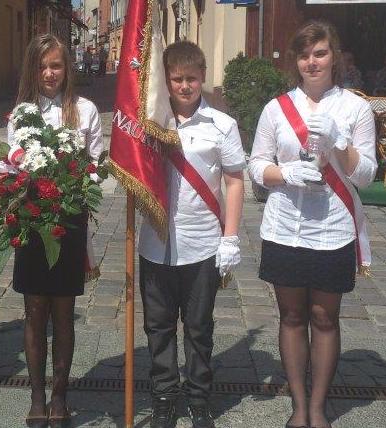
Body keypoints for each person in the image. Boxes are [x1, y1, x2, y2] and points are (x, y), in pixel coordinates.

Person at [249, 21, 377, 428]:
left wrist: (341, 142)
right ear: (297, 61)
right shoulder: (277, 108)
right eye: (304, 55)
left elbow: (367, 176)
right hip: (285, 225)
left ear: (333, 56)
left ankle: (318, 407)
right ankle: (299, 406)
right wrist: (285, 173)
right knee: (290, 317)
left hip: (333, 227)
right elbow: (256, 165)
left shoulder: (355, 109)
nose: (312, 62)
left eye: (320, 53)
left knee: (324, 317)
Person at [138, 41, 245, 428]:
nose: (184, 86)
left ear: (203, 77)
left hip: (202, 243)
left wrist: (230, 237)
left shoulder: (222, 125)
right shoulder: (149, 122)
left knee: (199, 327)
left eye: (192, 79)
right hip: (155, 242)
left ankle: (199, 397)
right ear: (166, 80)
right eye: (177, 79)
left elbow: (234, 181)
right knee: (158, 326)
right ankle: (164, 395)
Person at [7, 34, 103, 426]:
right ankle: (36, 396)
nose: (49, 73)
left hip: (68, 219)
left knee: (64, 311)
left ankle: (60, 396)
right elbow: (13, 162)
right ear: (33, 69)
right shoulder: (22, 113)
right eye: (43, 66)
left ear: (67, 69)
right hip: (33, 218)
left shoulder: (85, 110)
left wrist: (77, 180)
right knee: (34, 311)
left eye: (56, 65)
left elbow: (94, 164)